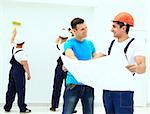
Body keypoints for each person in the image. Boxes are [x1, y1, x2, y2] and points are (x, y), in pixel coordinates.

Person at [100, 12, 146, 114]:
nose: (111, 29)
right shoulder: (109, 43)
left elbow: (143, 67)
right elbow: (95, 59)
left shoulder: (136, 44)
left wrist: (137, 68)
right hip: (107, 90)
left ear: (124, 28)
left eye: (114, 27)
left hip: (124, 92)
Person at [62, 17, 99, 114]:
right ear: (74, 31)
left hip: (88, 84)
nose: (86, 30)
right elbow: (70, 56)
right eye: (82, 29)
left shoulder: (90, 43)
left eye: (86, 27)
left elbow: (96, 58)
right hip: (73, 84)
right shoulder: (69, 43)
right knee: (67, 112)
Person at [4, 29, 31, 113]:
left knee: (11, 89)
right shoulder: (22, 53)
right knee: (20, 90)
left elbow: (12, 41)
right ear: (23, 43)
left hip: (12, 71)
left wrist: (14, 33)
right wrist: (28, 74)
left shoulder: (14, 49)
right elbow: (25, 65)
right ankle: (22, 108)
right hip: (19, 73)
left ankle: (7, 107)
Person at [50, 28, 77, 113]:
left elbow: (57, 40)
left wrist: (61, 32)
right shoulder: (69, 44)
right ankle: (70, 107)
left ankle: (54, 106)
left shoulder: (59, 44)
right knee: (69, 88)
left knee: (56, 87)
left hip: (59, 66)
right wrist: (70, 31)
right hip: (68, 66)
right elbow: (74, 37)